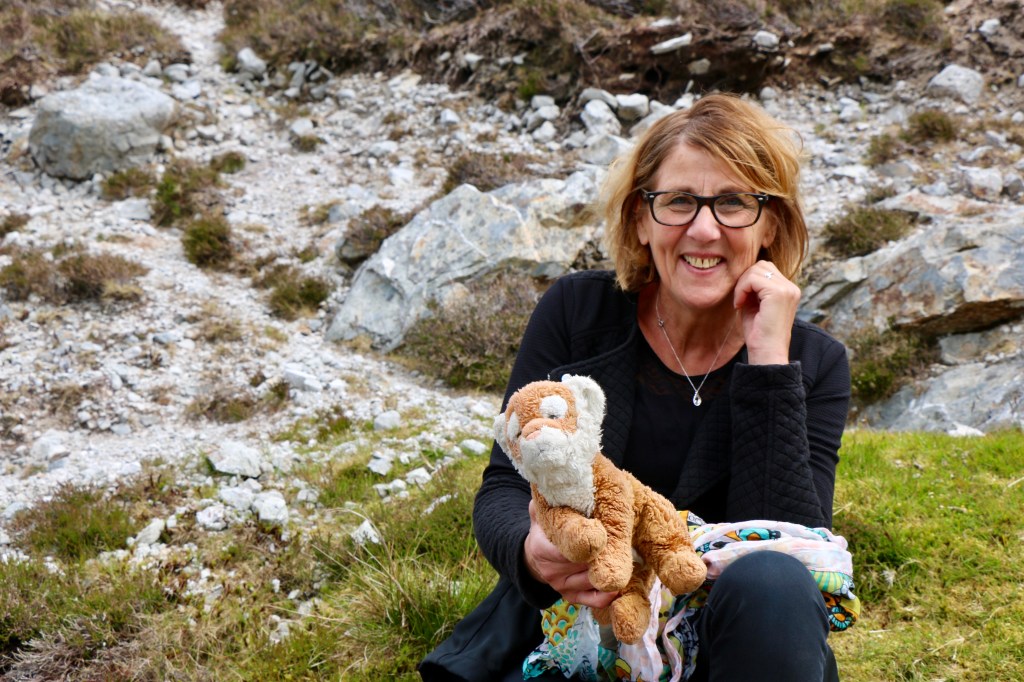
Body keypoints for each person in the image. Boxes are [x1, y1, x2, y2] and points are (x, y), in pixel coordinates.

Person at [419, 93, 851, 682]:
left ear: (771, 223)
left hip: (732, 649)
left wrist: (769, 364)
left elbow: (796, 559)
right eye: (678, 202)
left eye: (733, 202)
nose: (704, 229)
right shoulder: (577, 312)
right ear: (641, 219)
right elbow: (503, 485)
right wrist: (530, 550)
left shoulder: (815, 361)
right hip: (578, 632)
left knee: (774, 581)